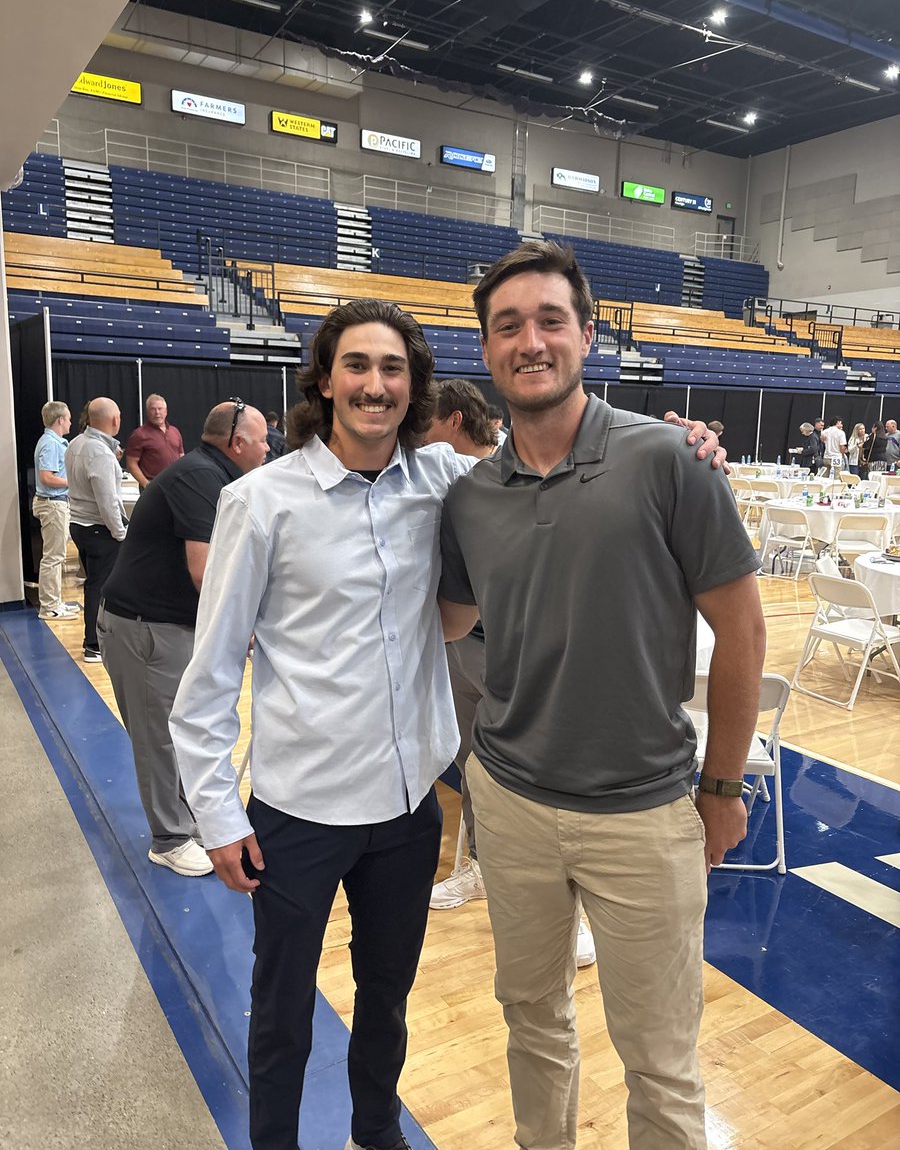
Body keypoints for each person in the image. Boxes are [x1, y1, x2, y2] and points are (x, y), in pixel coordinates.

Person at [169, 297, 725, 1150]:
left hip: (405, 811)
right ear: (324, 380)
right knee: (282, 1007)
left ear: (415, 388)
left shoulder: (444, 484)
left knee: (388, 997)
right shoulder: (260, 502)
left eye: (393, 370)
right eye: (357, 366)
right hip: (300, 810)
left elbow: (550, 465)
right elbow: (208, 676)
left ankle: (375, 1131)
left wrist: (684, 447)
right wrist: (215, 814)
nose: (375, 385)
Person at [438, 241, 767, 1150]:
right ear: (488, 349)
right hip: (508, 802)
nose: (531, 341)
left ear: (587, 334)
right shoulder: (469, 497)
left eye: (551, 321)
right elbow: (445, 620)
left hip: (645, 812)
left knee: (661, 1060)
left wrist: (726, 786)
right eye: (508, 326)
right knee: (531, 1019)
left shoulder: (668, 458)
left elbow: (743, 633)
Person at [423, 380, 596, 962]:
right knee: (476, 771)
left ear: (450, 421)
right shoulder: (447, 485)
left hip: (529, 657)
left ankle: (575, 912)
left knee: (549, 783)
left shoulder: (528, 475)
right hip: (465, 646)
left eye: (426, 421)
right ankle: (476, 869)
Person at [98, 401, 269, 878]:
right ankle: (169, 839)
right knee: (159, 736)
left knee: (178, 729)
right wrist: (248, 629)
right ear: (237, 445)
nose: (266, 452)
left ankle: (186, 820)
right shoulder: (200, 479)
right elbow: (207, 571)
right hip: (144, 627)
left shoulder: (210, 474)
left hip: (165, 625)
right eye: (261, 443)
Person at [65, 398, 128, 663]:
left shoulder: (76, 443)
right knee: (100, 587)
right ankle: (94, 644)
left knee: (95, 584)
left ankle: (100, 638)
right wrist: (121, 533)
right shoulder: (99, 452)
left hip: (79, 524)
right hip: (98, 529)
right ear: (114, 421)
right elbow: (108, 501)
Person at [32, 400, 79, 621]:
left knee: (56, 556)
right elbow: (46, 477)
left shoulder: (57, 442)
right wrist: (73, 482)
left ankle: (55, 602)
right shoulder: (50, 443)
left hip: (57, 503)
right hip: (52, 504)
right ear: (60, 419)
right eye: (68, 418)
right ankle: (49, 607)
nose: (70, 422)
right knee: (53, 557)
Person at [124, 393, 184, 487]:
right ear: (147, 412)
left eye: (160, 409)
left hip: (175, 484)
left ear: (166, 411)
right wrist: (146, 484)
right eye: (153, 409)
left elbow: (181, 457)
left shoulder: (175, 431)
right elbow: (131, 464)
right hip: (152, 485)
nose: (157, 412)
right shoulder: (139, 434)